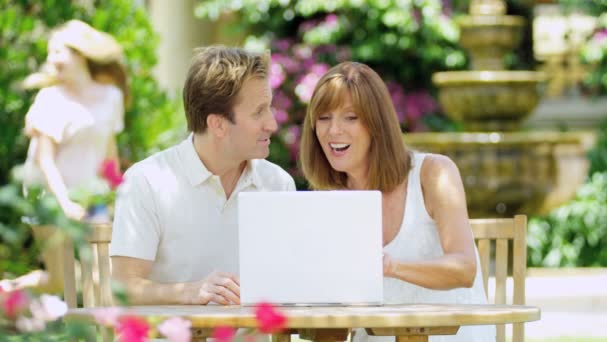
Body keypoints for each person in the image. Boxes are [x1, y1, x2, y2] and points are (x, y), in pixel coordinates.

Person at [299, 62, 495, 342]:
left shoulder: (433, 173)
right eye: (324, 117)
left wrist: (391, 267)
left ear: (376, 125)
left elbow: (464, 269)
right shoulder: (330, 200)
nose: (333, 130)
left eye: (350, 117)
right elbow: (333, 326)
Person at [109, 46, 295, 305]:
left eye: (270, 108)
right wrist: (189, 292)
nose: (272, 123)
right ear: (217, 124)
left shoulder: (278, 184)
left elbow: (291, 284)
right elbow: (122, 288)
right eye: (258, 112)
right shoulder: (146, 181)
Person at [21, 20, 127, 293]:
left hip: (91, 198)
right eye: (49, 53)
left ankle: (103, 335)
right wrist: (65, 203)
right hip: (51, 199)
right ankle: (9, 292)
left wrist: (119, 192)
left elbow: (108, 150)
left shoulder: (111, 97)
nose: (50, 60)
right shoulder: (50, 100)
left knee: (103, 277)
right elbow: (45, 160)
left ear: (79, 54)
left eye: (57, 52)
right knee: (60, 282)